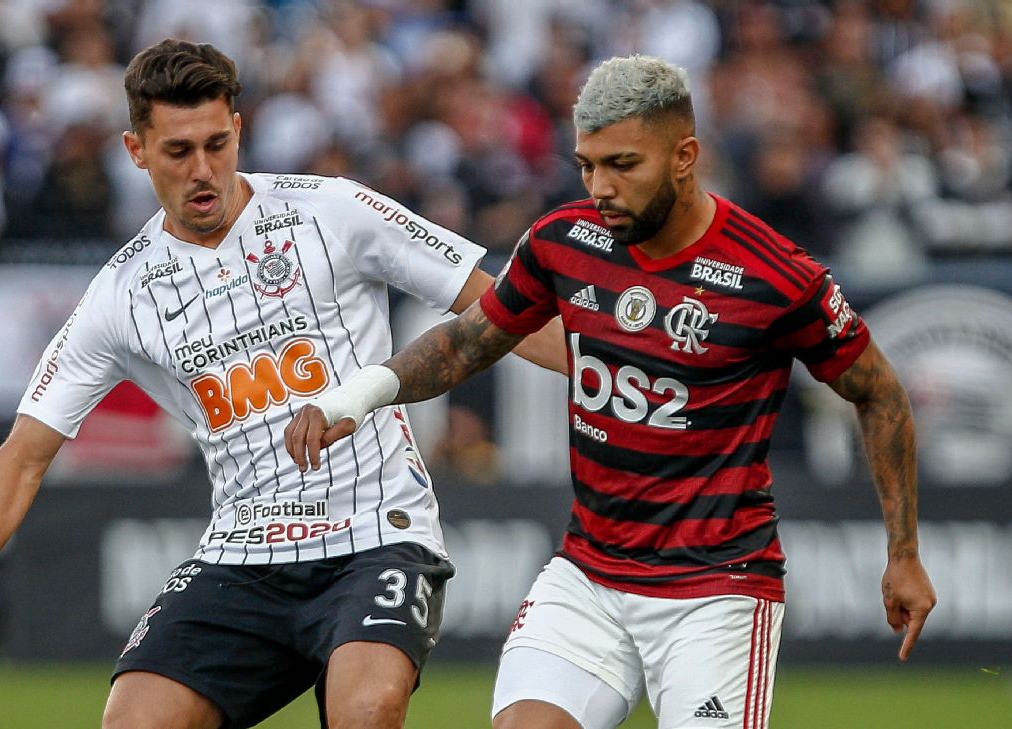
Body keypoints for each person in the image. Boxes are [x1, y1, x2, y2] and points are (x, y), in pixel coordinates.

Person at [0, 39, 563, 729]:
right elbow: (23, 452)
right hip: (243, 554)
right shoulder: (120, 294)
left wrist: (624, 365)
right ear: (136, 150)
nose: (204, 169)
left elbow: (502, 308)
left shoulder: (331, 212)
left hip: (378, 532)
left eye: (218, 143)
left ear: (239, 129)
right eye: (179, 152)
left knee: (366, 709)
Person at [285, 55, 938, 729]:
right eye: (587, 165)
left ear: (684, 155)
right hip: (589, 576)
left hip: (716, 591)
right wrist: (357, 396)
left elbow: (880, 393)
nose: (601, 186)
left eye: (623, 164)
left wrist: (904, 554)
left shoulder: (775, 276)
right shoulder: (563, 241)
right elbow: (462, 343)